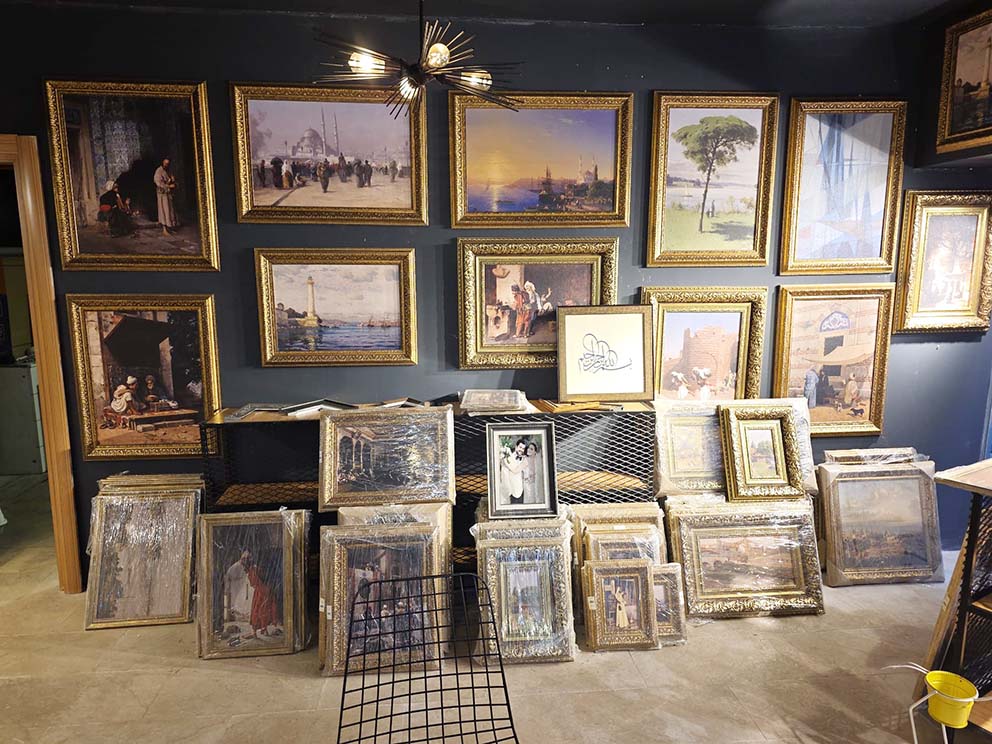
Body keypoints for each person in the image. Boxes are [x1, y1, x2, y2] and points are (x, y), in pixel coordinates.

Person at [244, 552, 279, 639]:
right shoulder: (258, 569)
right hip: (265, 591)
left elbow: (254, 582)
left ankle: (257, 631)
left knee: (258, 611)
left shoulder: (254, 569)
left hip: (261, 591)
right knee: (263, 610)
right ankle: (262, 630)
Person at [153, 158, 179, 236]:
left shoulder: (168, 171)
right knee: (164, 211)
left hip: (168, 194)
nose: (166, 165)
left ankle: (169, 228)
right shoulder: (159, 171)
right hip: (162, 195)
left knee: (170, 211)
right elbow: (158, 183)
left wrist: (173, 180)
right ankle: (164, 230)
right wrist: (169, 186)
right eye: (165, 163)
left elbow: (171, 180)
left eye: (168, 163)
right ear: (162, 163)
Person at [500, 440, 528, 505]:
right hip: (510, 488)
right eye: (520, 447)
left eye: (523, 448)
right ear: (516, 447)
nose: (521, 450)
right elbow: (514, 470)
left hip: (520, 489)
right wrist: (523, 464)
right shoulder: (508, 457)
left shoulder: (524, 458)